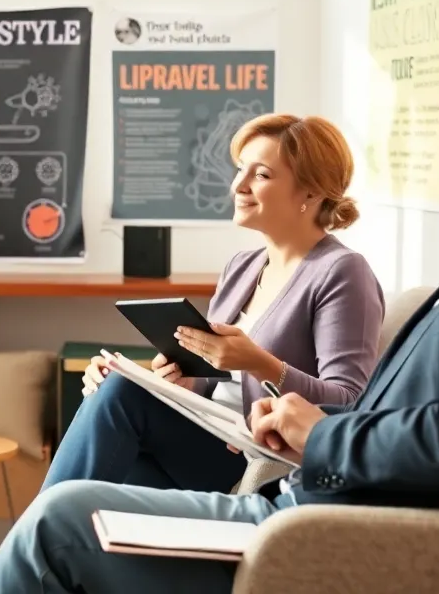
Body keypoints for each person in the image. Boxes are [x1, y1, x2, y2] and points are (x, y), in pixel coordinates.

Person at [0, 0, 439, 594]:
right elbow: (434, 415)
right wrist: (178, 383)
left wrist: (312, 428)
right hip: (308, 489)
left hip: (324, 516)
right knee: (102, 443)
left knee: (58, 523)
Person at [41, 114, 384, 495]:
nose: (238, 185)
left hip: (257, 455)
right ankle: (48, 529)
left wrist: (260, 364)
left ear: (310, 193)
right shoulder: (242, 267)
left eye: (261, 175)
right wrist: (183, 380)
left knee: (120, 402)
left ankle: (33, 531)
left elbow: (350, 403)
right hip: (208, 435)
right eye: (240, 169)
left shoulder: (342, 271)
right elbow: (216, 385)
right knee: (115, 393)